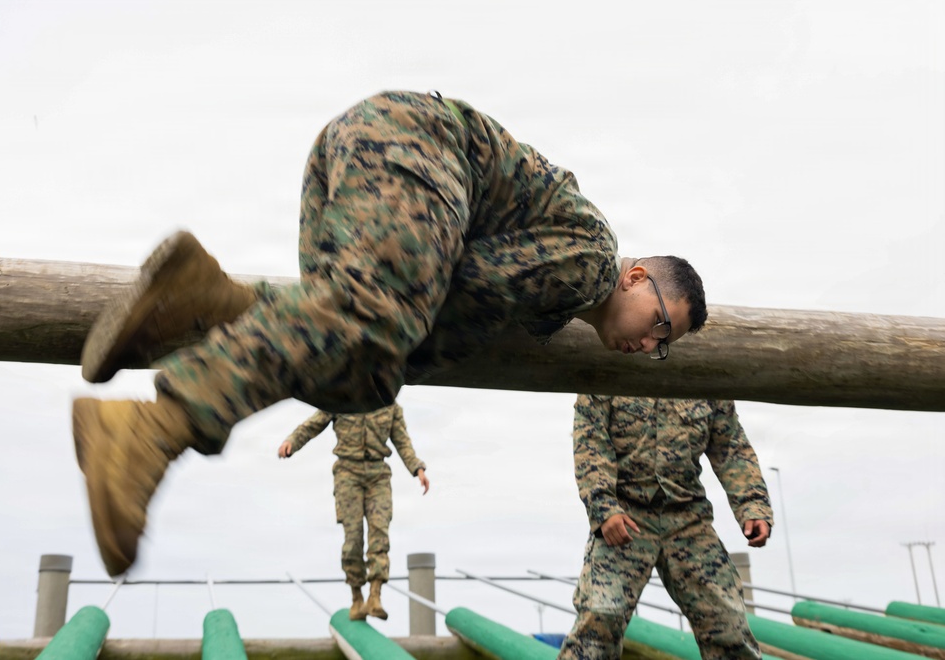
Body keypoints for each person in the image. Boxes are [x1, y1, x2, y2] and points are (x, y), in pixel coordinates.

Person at [71, 90, 709, 577]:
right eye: (660, 323)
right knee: (378, 332)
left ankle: (203, 300)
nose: (652, 346)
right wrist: (407, 348)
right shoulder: (593, 262)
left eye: (665, 345)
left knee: (360, 372)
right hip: (416, 152)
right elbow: (470, 287)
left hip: (367, 150)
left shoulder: (566, 282)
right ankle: (150, 431)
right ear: (635, 278)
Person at [559, 395, 773, 660]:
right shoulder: (607, 371)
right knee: (601, 617)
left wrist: (753, 506)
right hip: (624, 517)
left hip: (687, 520)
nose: (631, 348)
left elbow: (731, 448)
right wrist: (603, 508)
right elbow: (590, 441)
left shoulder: (703, 376)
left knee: (727, 623)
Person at [278, 402, 429, 620]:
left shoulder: (389, 405)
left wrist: (418, 469)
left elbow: (402, 440)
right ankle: (357, 598)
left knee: (380, 534)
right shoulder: (340, 398)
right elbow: (312, 425)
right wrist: (291, 441)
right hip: (348, 473)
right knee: (353, 540)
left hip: (378, 475)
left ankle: (375, 596)